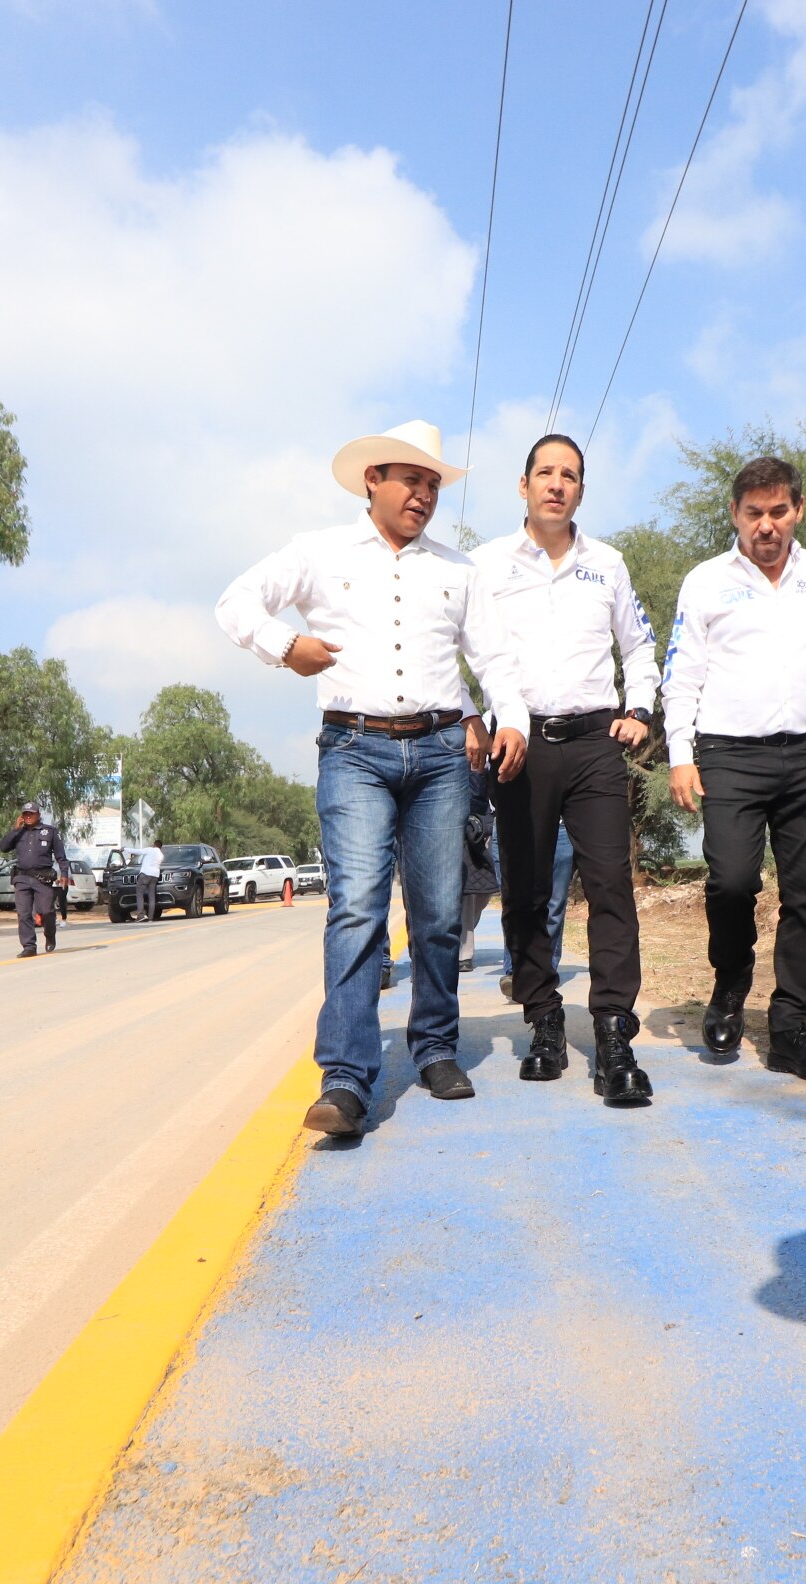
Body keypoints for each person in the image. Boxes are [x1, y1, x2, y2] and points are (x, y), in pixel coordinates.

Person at [216, 418, 528, 1138]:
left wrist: (509, 718)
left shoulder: (459, 570)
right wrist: (283, 644)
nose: (422, 494)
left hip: (443, 752)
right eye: (409, 479)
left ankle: (436, 1047)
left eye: (432, 484)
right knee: (356, 907)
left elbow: (496, 657)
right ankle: (348, 1079)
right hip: (354, 750)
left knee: (439, 911)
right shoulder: (318, 553)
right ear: (372, 482)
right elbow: (236, 602)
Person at [472, 433, 659, 1105]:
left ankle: (613, 1034)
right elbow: (455, 645)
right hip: (519, 745)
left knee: (610, 883)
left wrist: (639, 708)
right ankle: (544, 1018)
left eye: (570, 475)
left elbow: (639, 645)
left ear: (581, 490)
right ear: (523, 486)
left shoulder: (606, 564)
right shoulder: (485, 565)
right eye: (545, 473)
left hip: (592, 742)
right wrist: (474, 717)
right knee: (524, 891)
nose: (557, 483)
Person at [662, 454, 806, 1082]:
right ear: (735, 515)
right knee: (732, 882)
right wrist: (681, 758)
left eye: (778, 512)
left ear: (797, 510)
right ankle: (729, 982)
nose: (766, 526)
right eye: (753, 514)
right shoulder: (706, 581)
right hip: (728, 756)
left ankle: (793, 1021)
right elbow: (681, 675)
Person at [499, 820, 572, 1003]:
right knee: (515, 902)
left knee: (553, 906)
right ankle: (515, 971)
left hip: (560, 827)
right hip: (511, 823)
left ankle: (545, 970)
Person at [0, 805, 68, 957]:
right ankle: (29, 946)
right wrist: (14, 830)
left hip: (42, 878)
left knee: (46, 911)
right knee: (24, 914)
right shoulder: (18, 832)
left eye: (31, 814)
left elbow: (60, 855)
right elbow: (3, 847)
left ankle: (50, 935)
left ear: (38, 815)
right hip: (22, 878)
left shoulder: (49, 831)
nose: (28, 816)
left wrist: (64, 873)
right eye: (25, 814)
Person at [458, 767, 500, 973]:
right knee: (464, 890)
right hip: (452, 816)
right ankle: (463, 952)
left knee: (482, 892)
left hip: (482, 823)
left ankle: (459, 936)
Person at [135, 843, 162, 922]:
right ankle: (150, 917)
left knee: (140, 894)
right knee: (151, 896)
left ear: (154, 845)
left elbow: (138, 851)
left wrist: (125, 849)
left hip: (145, 874)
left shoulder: (150, 850)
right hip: (155, 876)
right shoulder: (161, 855)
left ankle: (140, 915)